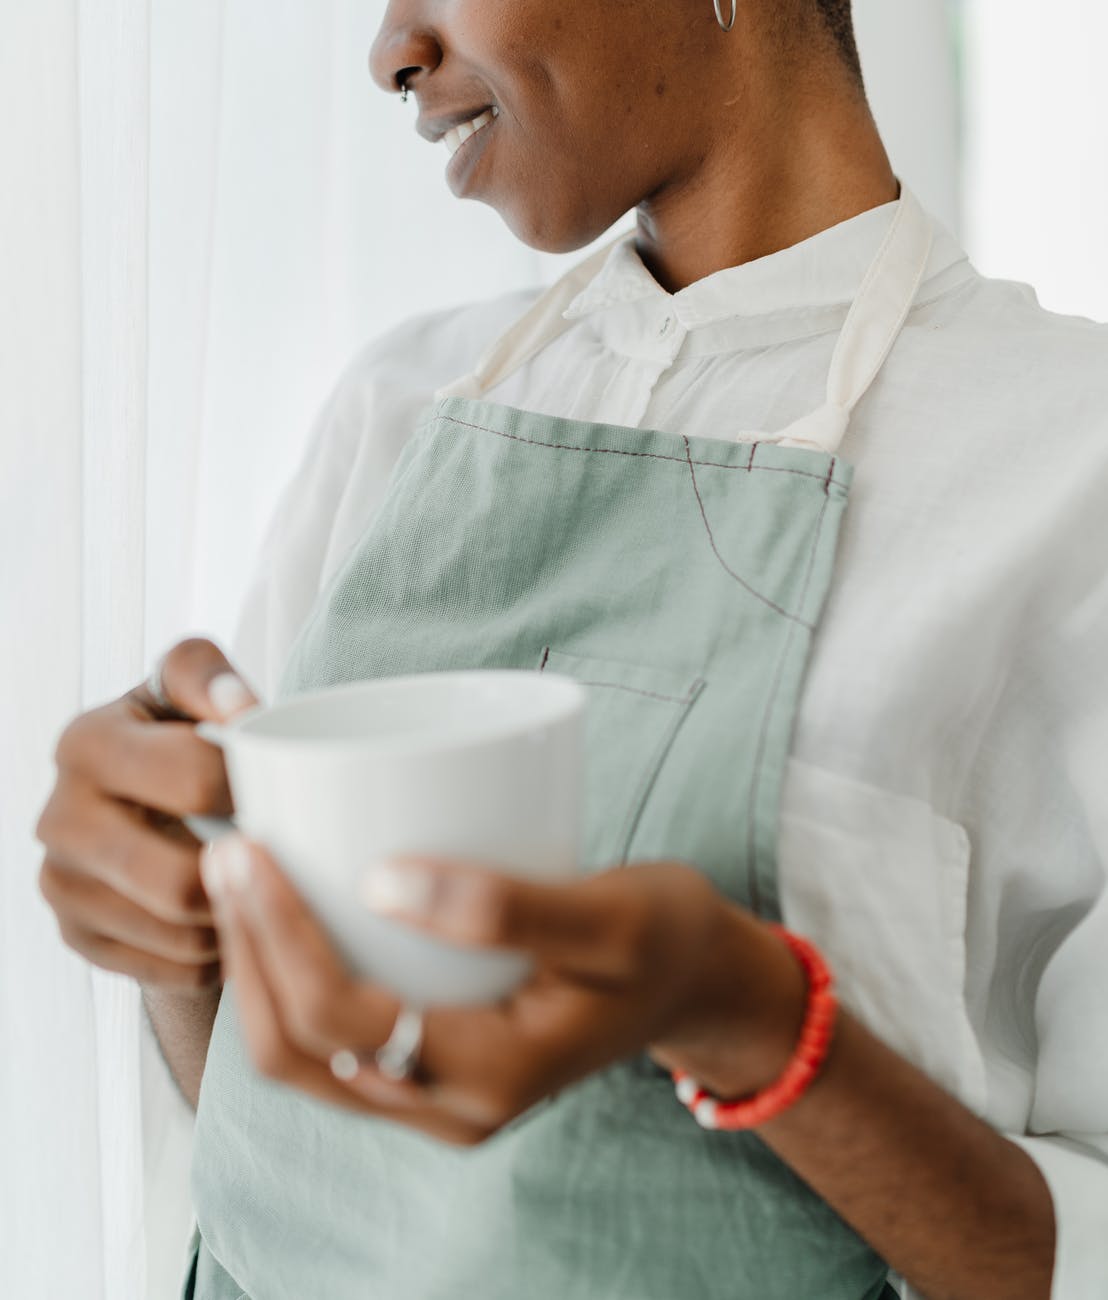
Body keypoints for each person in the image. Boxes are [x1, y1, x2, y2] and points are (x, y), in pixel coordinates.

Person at [34, 1, 1108, 1297]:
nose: (391, 50)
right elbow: (290, 1169)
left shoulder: (1067, 466)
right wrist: (175, 933)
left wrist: (753, 1019)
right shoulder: (398, 413)